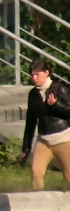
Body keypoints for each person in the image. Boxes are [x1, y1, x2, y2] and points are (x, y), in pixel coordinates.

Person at [20, 58, 70, 190]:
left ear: (47, 73)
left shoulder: (59, 89)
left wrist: (56, 105)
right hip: (44, 141)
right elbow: (31, 121)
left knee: (69, 176)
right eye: (32, 75)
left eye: (37, 74)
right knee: (36, 173)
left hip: (63, 138)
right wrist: (26, 147)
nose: (34, 78)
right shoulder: (33, 94)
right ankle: (38, 203)